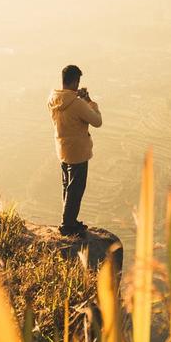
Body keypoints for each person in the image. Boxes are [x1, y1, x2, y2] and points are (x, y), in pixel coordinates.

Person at [47, 64, 102, 236]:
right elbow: (97, 121)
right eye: (77, 82)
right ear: (74, 81)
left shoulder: (53, 99)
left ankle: (69, 220)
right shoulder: (77, 104)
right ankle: (67, 224)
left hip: (62, 149)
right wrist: (89, 101)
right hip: (78, 152)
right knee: (76, 188)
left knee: (67, 187)